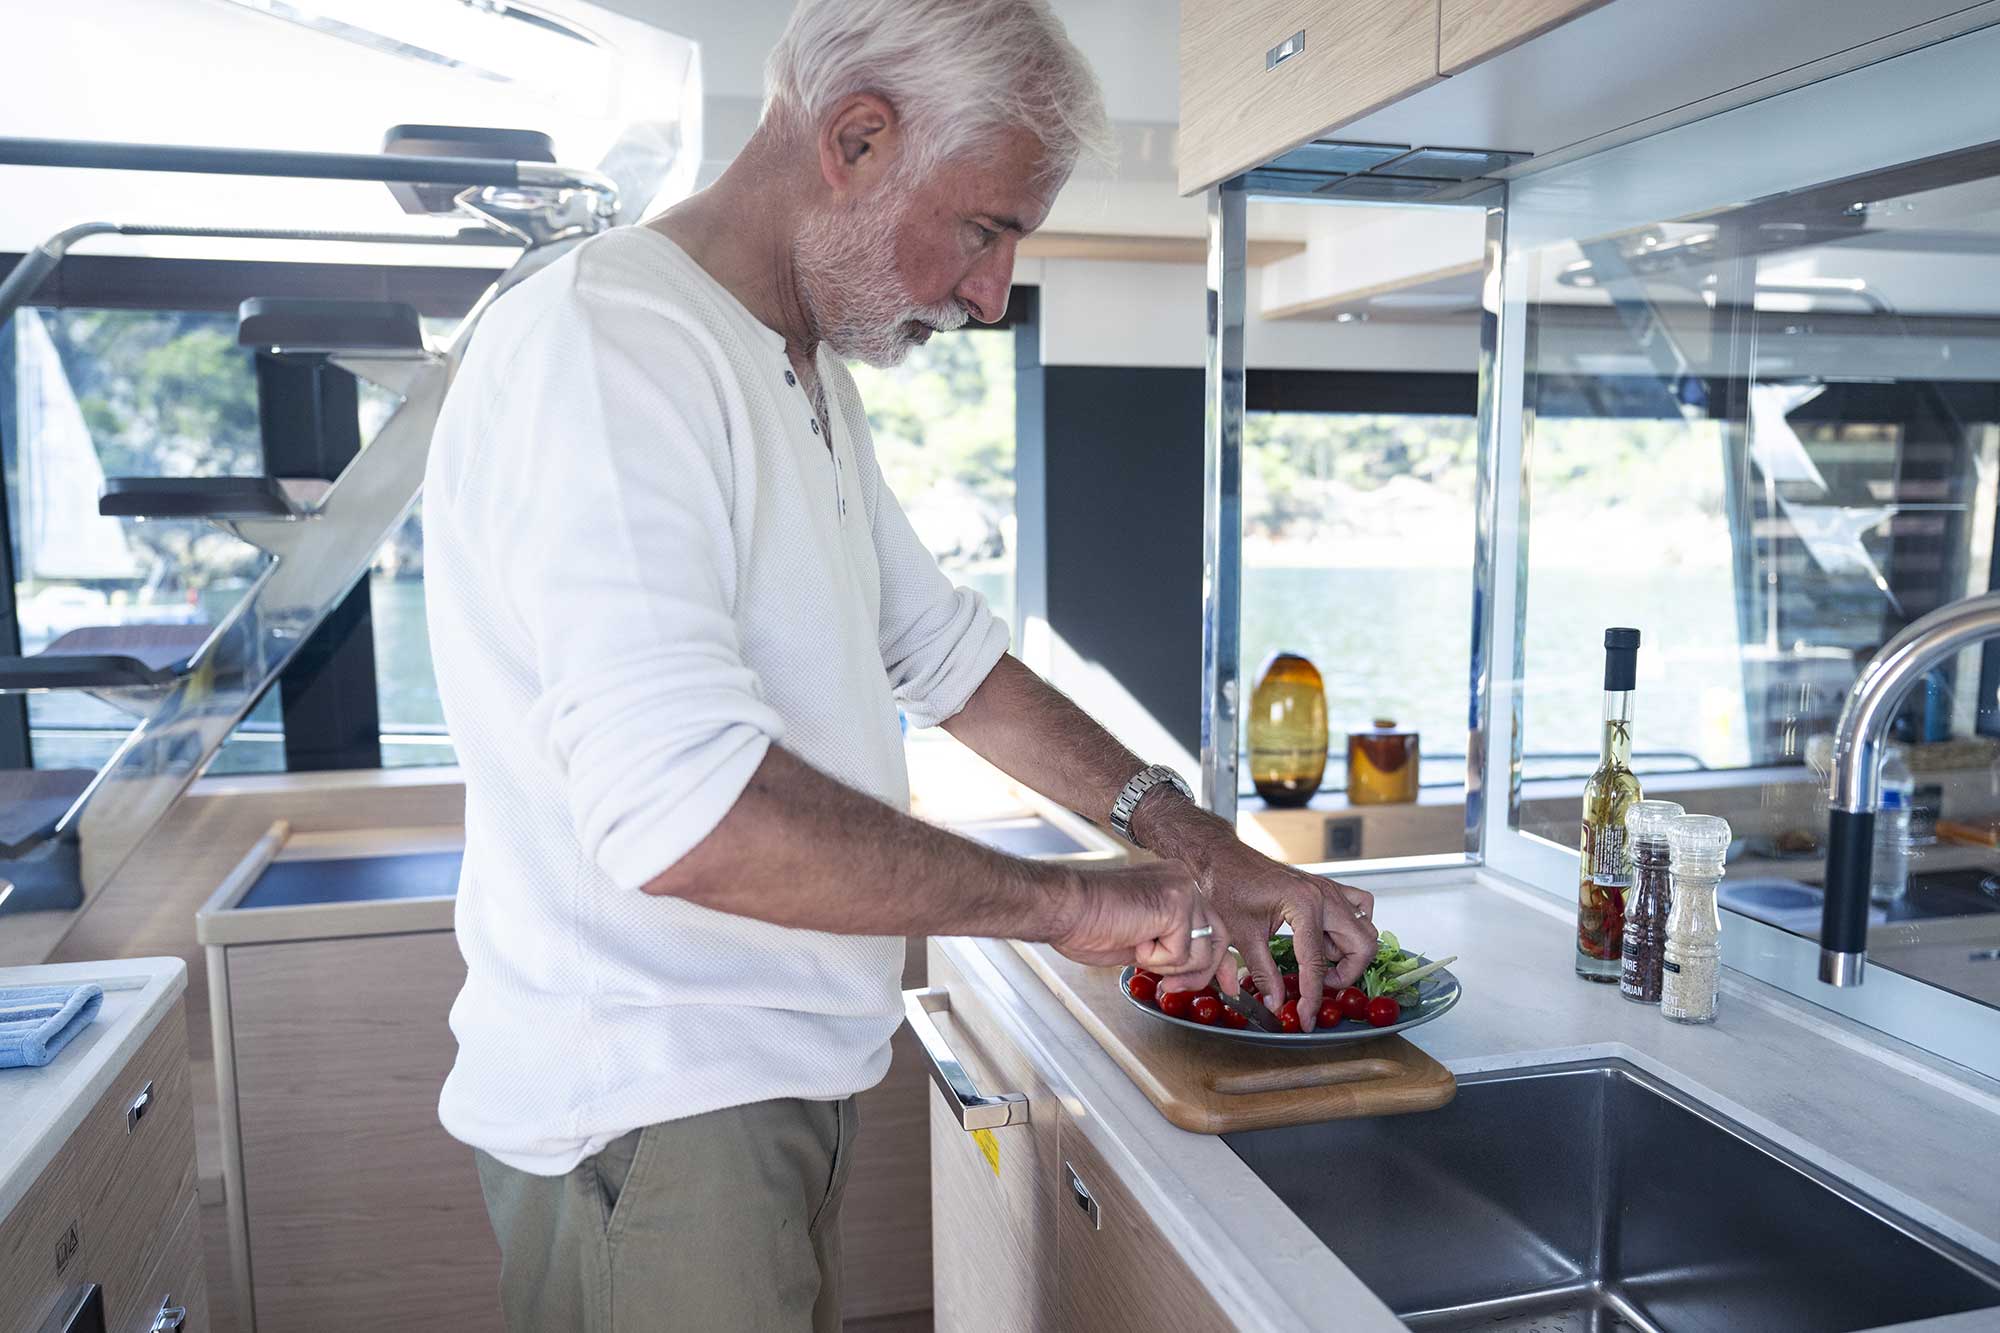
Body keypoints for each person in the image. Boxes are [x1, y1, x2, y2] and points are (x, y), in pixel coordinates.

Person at [423, 0, 1377, 1327]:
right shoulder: (612, 343)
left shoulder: (796, 371)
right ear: (857, 139)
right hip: (652, 1108)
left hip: (754, 1093)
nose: (991, 295)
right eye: (986, 229)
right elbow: (682, 811)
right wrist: (1072, 905)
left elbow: (948, 657)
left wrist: (1197, 844)